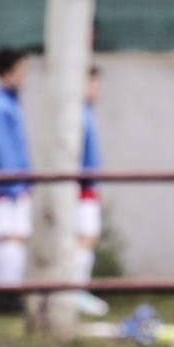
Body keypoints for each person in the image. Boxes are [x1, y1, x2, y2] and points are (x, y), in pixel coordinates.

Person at [0, 47, 33, 314]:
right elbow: (2, 150)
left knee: (17, 239)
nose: (25, 76)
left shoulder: (11, 103)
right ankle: (5, 296)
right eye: (20, 71)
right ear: (5, 73)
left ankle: (10, 292)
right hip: (8, 186)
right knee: (8, 239)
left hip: (18, 183)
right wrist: (13, 184)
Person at [75, 66, 104, 294]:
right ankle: (75, 289)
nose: (96, 88)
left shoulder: (88, 113)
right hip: (81, 186)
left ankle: (78, 288)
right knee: (85, 236)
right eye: (91, 82)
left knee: (88, 237)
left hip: (89, 185)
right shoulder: (79, 117)